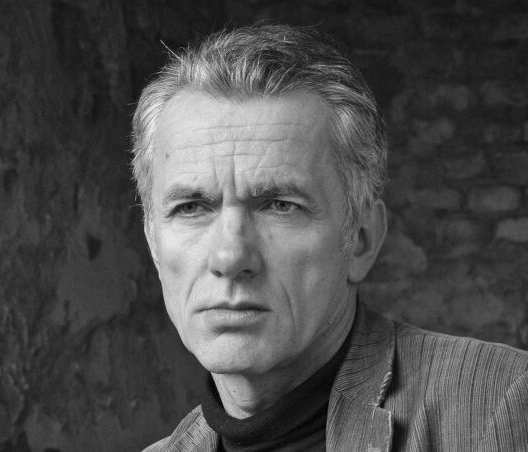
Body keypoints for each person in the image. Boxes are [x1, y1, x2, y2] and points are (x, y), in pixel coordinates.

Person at [131, 24, 528, 451]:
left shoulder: (499, 403)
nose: (230, 257)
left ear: (361, 238)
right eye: (191, 208)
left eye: (280, 205)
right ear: (154, 245)